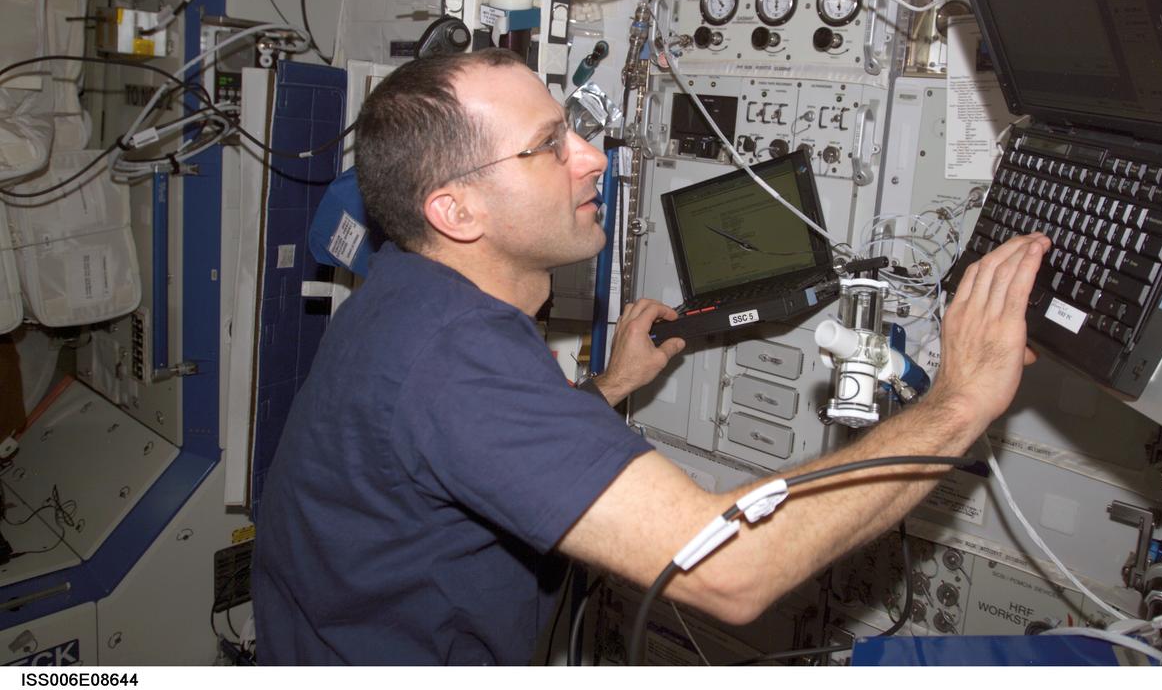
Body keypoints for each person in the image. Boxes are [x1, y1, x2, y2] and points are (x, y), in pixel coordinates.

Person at [252, 48, 1050, 665]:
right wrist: (960, 399)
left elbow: (476, 449)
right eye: (549, 146)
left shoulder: (408, 288)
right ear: (456, 209)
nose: (592, 156)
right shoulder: (452, 358)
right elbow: (729, 568)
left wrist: (608, 388)